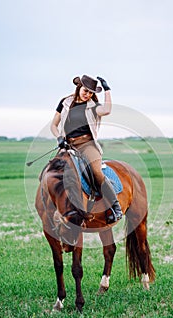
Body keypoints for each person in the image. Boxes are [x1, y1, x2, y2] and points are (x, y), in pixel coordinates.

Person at [50, 74, 122, 223]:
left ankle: (115, 207)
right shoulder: (65, 102)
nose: (87, 95)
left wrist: (107, 90)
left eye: (91, 93)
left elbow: (107, 109)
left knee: (96, 171)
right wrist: (59, 138)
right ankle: (50, 205)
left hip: (87, 145)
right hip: (68, 145)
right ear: (79, 87)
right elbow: (53, 125)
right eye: (85, 91)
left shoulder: (93, 106)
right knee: (51, 170)